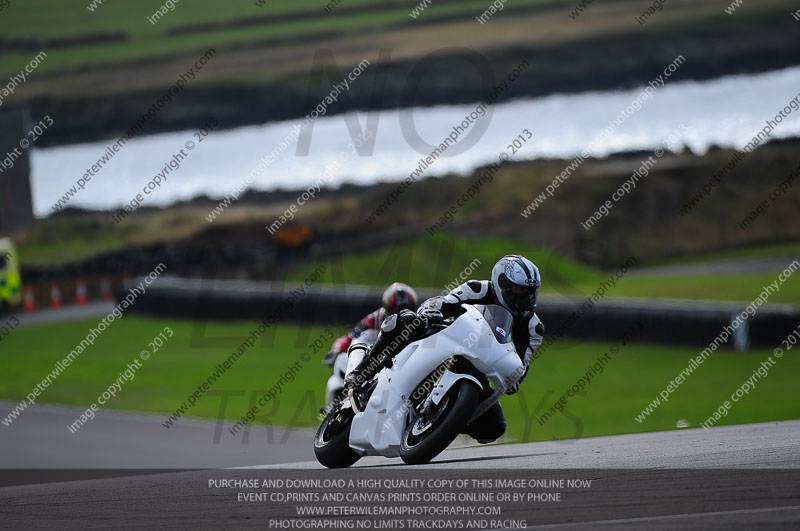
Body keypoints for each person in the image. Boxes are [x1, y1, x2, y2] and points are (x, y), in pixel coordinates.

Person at [344, 255, 544, 443]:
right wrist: (431, 311)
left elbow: (521, 368)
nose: (526, 297)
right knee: (407, 321)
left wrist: (512, 378)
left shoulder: (533, 328)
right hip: (445, 336)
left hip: (480, 365)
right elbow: (444, 301)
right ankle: (363, 370)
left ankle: (444, 418)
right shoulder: (478, 289)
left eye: (531, 291)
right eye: (519, 290)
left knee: (494, 427)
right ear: (502, 284)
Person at [323, 282, 419, 367]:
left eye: (406, 309)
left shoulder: (418, 321)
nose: (401, 313)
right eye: (396, 309)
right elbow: (352, 336)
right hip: (374, 363)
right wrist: (338, 349)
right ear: (388, 309)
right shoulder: (374, 319)